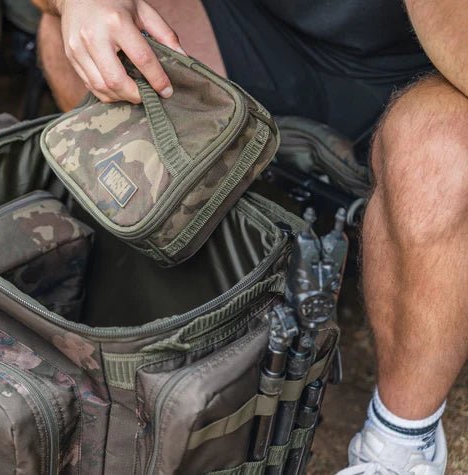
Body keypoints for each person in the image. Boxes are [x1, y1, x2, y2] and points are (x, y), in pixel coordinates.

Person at [31, 0, 468, 473]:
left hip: (414, 71)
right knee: (79, 30)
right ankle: (174, 280)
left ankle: (401, 444)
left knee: (447, 150)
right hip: (252, 32)